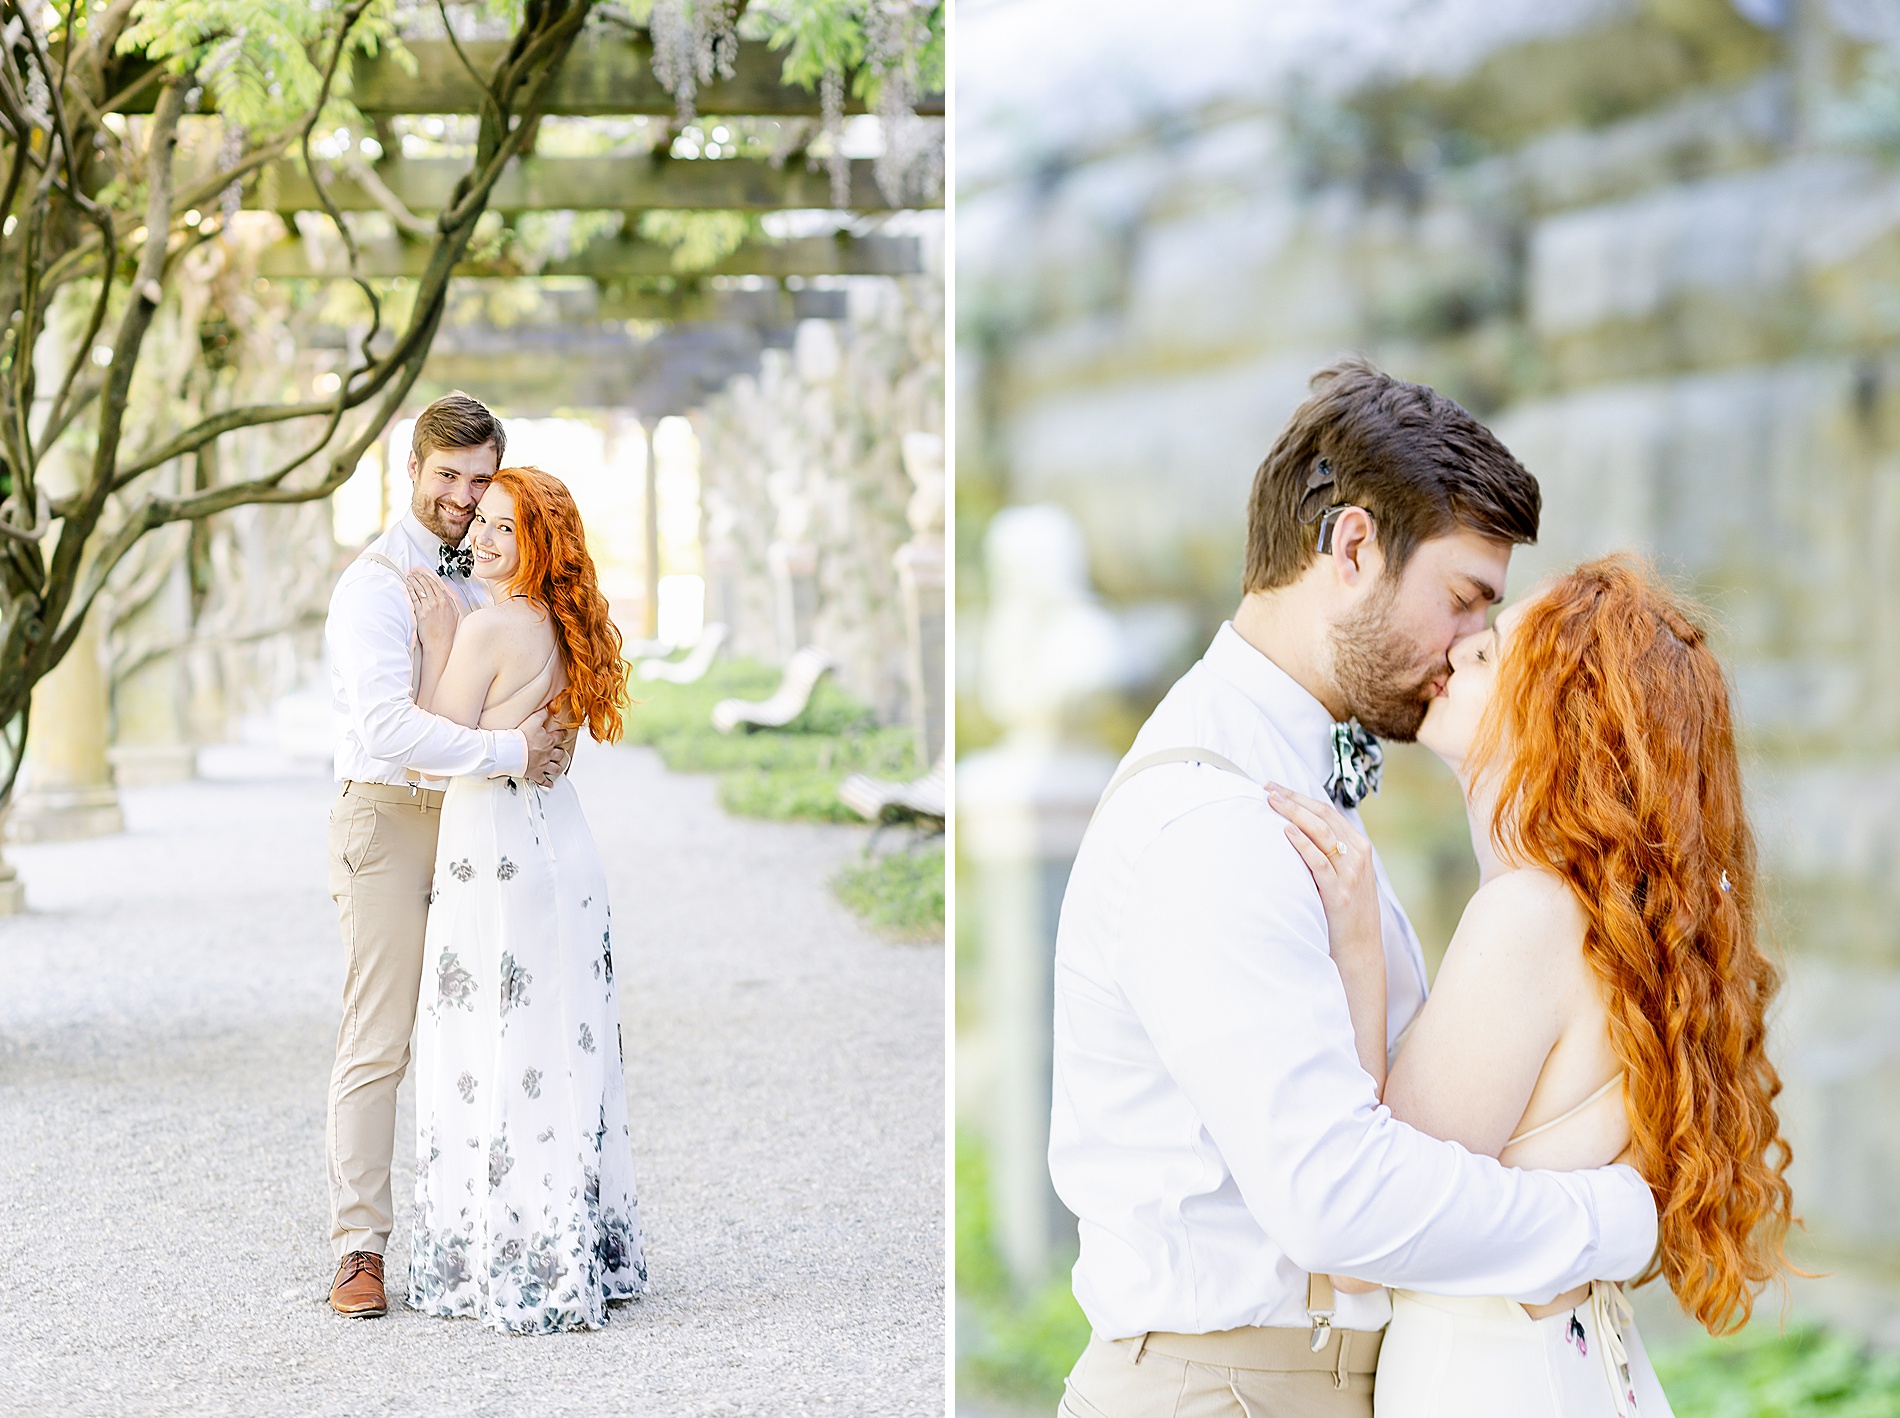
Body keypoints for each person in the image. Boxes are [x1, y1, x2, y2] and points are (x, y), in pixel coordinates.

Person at [1049, 360, 1660, 1418]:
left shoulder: (1292, 786)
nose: (1474, 644)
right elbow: (1336, 1196)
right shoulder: (1214, 818)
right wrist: (1612, 1219)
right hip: (1229, 1389)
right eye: (1464, 598)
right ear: (1351, 547)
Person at [1271, 556, 1791, 1416]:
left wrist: (1358, 952)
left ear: (1562, 713)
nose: (1460, 650)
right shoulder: (1610, 924)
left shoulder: (1528, 918)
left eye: (1492, 655)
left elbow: (1361, 1240)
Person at [324, 394, 567, 1319]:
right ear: (413, 471)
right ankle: (359, 1247)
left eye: (478, 478)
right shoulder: (376, 584)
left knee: (492, 1030)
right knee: (380, 1036)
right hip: (388, 816)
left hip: (482, 823)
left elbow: (527, 677)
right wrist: (513, 750)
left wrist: (552, 733)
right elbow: (391, 728)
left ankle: (487, 1228)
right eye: (447, 477)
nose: (463, 498)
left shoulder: (496, 572)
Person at [402, 465, 647, 1333]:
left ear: (541, 541)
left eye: (508, 528)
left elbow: (430, 752)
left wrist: (436, 640)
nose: (488, 541)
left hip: (496, 848)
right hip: (565, 847)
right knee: (563, 1042)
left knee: (490, 1044)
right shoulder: (570, 623)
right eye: (488, 526)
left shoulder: (490, 626)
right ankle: (579, 1245)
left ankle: (505, 1256)